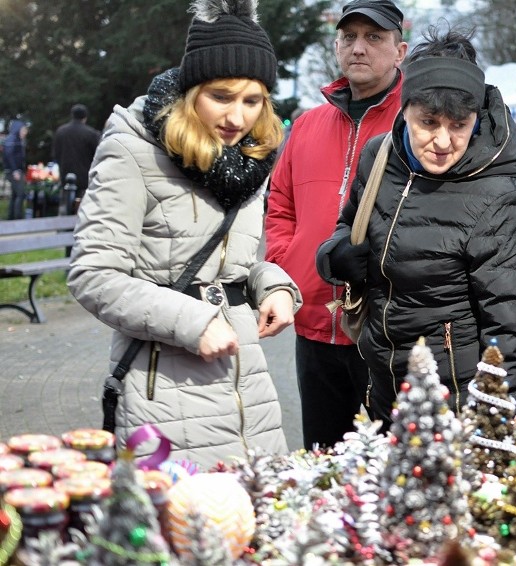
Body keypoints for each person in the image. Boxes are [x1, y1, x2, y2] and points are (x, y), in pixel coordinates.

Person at [67, 0, 301, 469]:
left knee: (256, 527)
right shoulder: (134, 150)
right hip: (166, 393)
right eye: (222, 96)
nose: (237, 117)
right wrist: (193, 322)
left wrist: (270, 284)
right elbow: (93, 274)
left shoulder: (249, 160)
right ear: (191, 90)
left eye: (252, 100)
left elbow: (229, 263)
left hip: (248, 389)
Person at [315, 24, 516, 431]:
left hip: (455, 400)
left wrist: (500, 420)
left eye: (459, 125)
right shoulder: (378, 156)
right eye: (428, 122)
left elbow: (511, 325)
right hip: (385, 385)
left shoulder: (497, 195)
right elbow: (346, 224)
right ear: (404, 110)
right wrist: (335, 256)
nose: (442, 140)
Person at [264, 0, 407, 449]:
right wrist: (286, 265)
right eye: (348, 37)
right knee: (321, 463)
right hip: (313, 328)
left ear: (400, 50)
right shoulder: (307, 124)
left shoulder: (416, 122)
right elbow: (280, 204)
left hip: (385, 329)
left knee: (389, 468)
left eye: (374, 38)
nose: (358, 48)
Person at [52, 103, 101, 206]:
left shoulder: (61, 132)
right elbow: (98, 155)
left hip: (65, 175)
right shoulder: (91, 133)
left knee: (65, 205)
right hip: (85, 177)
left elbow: (56, 154)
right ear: (85, 117)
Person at [3, 119, 30, 220]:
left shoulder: (17, 139)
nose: (25, 132)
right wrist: (15, 171)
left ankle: (11, 217)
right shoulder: (12, 139)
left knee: (15, 195)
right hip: (14, 171)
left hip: (16, 170)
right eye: (23, 130)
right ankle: (18, 217)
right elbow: (9, 156)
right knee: (21, 194)